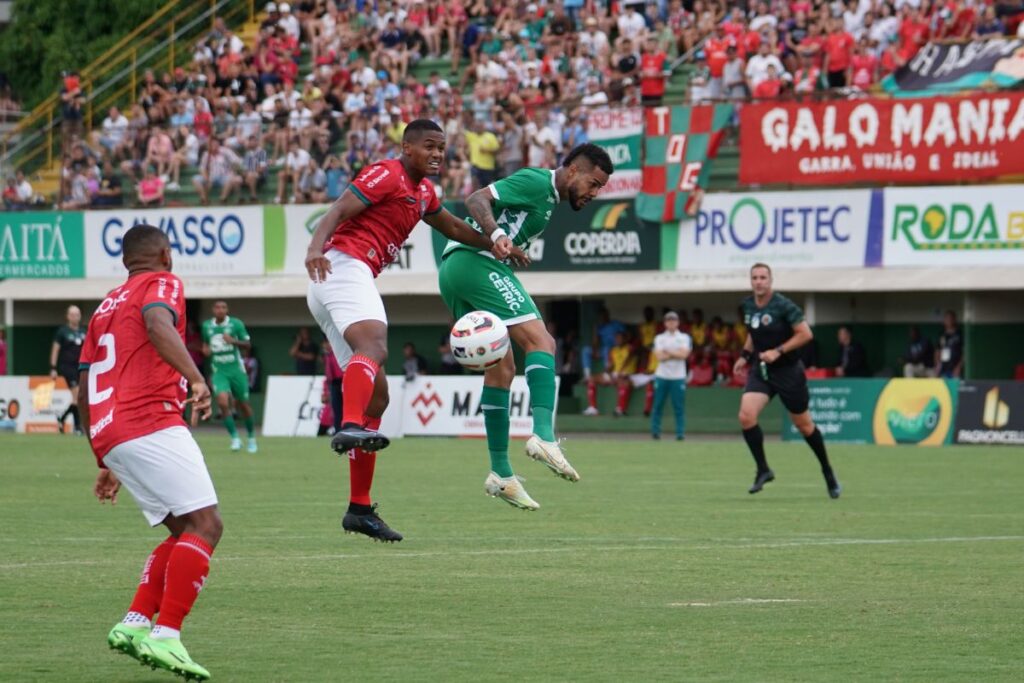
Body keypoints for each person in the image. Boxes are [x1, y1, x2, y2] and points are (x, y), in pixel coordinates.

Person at [304, 119, 513, 541]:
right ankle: (348, 425)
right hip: (343, 266)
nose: (438, 154)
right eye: (430, 146)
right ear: (407, 147)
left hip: (337, 281)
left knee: (377, 394)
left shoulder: (423, 192)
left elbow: (452, 227)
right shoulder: (387, 173)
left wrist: (494, 240)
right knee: (375, 345)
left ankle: (359, 509)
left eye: (443, 148)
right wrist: (314, 248)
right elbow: (339, 209)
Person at [78, 224, 219, 681]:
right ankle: (167, 635)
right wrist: (196, 379)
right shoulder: (164, 282)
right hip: (149, 419)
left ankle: (136, 622)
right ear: (165, 253)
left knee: (182, 532)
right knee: (205, 526)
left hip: (110, 430)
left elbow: (83, 389)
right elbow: (159, 324)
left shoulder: (103, 308)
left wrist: (105, 458)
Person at [438, 143, 613, 510]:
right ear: (572, 172)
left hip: (458, 268)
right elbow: (475, 200)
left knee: (502, 369)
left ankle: (501, 475)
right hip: (476, 263)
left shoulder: (547, 201)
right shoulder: (537, 182)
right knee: (542, 341)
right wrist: (498, 237)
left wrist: (505, 240)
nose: (594, 194)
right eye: (593, 183)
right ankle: (544, 437)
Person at [733, 263, 841, 499]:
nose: (759, 281)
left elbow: (806, 334)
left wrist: (778, 351)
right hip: (762, 370)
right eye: (755, 277)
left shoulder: (783, 305)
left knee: (804, 426)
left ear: (770, 280)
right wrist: (744, 356)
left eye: (763, 277)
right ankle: (763, 469)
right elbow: (753, 333)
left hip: (788, 371)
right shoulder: (748, 305)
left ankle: (827, 471)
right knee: (746, 415)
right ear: (750, 281)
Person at [201, 301, 257, 452]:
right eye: (217, 307)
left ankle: (251, 437)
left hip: (236, 370)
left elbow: (248, 344)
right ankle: (235, 438)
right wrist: (205, 350)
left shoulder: (235, 324)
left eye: (223, 307)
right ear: (213, 310)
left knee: (243, 404)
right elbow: (206, 345)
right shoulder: (207, 326)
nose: (220, 310)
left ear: (227, 310)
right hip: (219, 370)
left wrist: (233, 341)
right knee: (223, 403)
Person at [650, 311, 692, 441]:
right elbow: (659, 357)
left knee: (678, 406)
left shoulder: (684, 337)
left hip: (678, 376)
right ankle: (655, 432)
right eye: (668, 320)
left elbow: (684, 355)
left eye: (673, 320)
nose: (671, 323)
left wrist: (668, 352)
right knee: (658, 405)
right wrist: (676, 353)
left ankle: (680, 433)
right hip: (662, 375)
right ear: (665, 323)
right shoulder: (659, 338)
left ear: (678, 322)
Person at [51, 305, 86, 434]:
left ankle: (62, 417)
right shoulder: (62, 332)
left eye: (77, 314)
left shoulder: (83, 332)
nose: (75, 317)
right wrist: (53, 367)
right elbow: (55, 350)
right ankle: (77, 427)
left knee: (79, 398)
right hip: (67, 367)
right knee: (76, 397)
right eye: (72, 314)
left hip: (80, 367)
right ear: (67, 316)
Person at [936, 310, 964, 378]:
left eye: (951, 318)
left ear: (954, 320)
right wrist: (938, 364)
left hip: (955, 367)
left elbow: (964, 352)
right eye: (947, 319)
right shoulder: (942, 334)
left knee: (954, 387)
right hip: (944, 367)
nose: (949, 321)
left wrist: (959, 367)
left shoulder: (959, 334)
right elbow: (937, 351)